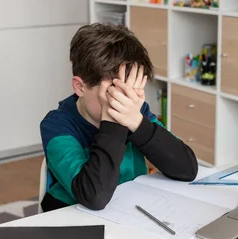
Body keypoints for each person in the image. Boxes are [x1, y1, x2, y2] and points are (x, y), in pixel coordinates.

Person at [39, 23, 198, 212]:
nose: (123, 102)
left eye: (131, 91)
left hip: (129, 210)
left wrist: (138, 124)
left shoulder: (133, 112)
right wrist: (113, 123)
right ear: (80, 87)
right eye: (114, 94)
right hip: (71, 219)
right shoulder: (58, 125)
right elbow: (94, 197)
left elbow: (187, 169)